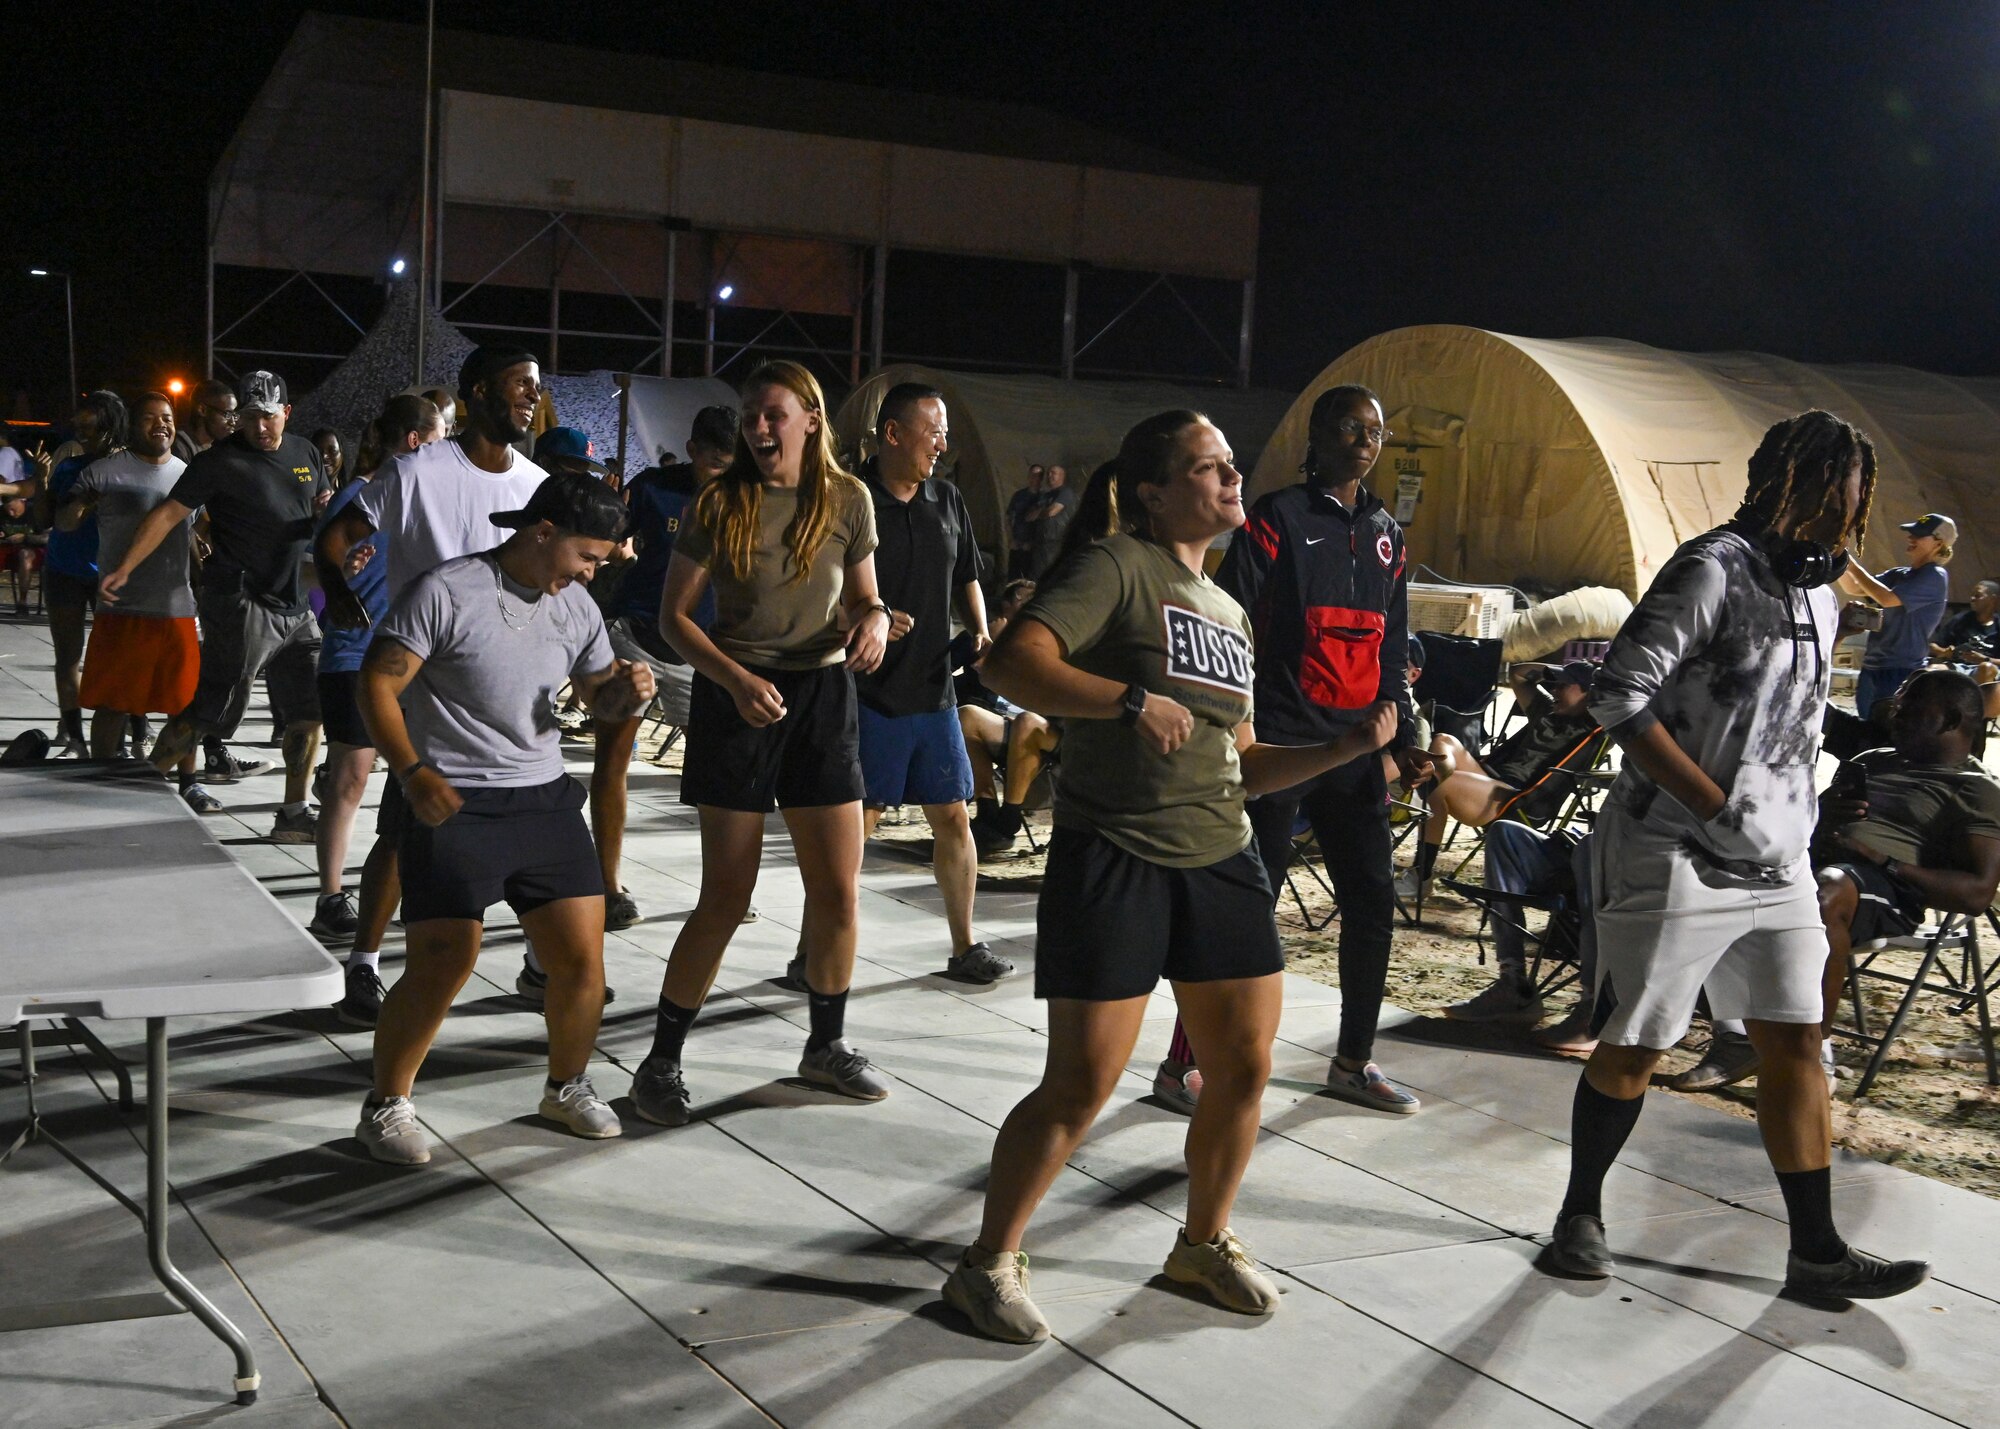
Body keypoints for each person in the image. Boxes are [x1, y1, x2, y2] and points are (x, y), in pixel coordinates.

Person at [939, 411, 1397, 1343]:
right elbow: (1012, 660)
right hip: (1116, 851)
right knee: (1080, 1084)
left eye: (1233, 463)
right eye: (1210, 466)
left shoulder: (1228, 609)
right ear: (1155, 490)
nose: (1233, 478)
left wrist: (1346, 747)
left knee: (1246, 1065)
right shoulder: (1115, 564)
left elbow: (1243, 758)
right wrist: (1129, 699)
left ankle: (1203, 1241)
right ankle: (986, 1262)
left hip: (1223, 854)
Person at [1544, 408, 1930, 1302]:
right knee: (1636, 1042)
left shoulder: (1823, 590)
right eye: (1843, 490)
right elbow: (1617, 694)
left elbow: (1789, 708)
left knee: (1794, 1040)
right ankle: (1579, 1214)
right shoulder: (1713, 567)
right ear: (1791, 482)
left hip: (1779, 858)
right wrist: (1714, 803)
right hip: (1678, 846)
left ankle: (1817, 1250)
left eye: (1860, 494)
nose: (1853, 510)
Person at [351, 473, 654, 1165]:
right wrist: (411, 770)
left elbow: (597, 698)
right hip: (452, 796)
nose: (591, 572)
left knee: (582, 958)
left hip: (542, 797)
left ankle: (566, 1086)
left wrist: (625, 692)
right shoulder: (448, 590)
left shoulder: (576, 606)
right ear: (542, 532)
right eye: (587, 556)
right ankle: (385, 1105)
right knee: (443, 958)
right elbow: (377, 681)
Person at [627, 360, 892, 1127]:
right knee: (726, 895)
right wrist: (735, 680)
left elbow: (867, 597)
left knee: (838, 891)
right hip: (736, 697)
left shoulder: (849, 499)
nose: (759, 427)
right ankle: (662, 1059)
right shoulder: (719, 500)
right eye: (750, 415)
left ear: (812, 418)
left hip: (823, 697)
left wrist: (872, 620)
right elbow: (678, 618)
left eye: (774, 414)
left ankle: (825, 1045)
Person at [1154, 385, 1431, 1116]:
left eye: (1377, 428)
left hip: (1355, 752)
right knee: (1248, 907)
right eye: (1353, 426)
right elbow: (1231, 623)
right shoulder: (1276, 518)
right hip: (1280, 744)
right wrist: (1232, 726)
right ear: (1320, 433)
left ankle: (1353, 1060)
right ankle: (1182, 1062)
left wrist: (1401, 733)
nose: (1367, 439)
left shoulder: (1387, 535)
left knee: (1372, 899)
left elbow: (1394, 642)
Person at [317, 345, 561, 1007]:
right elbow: (334, 537)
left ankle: (540, 964)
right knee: (401, 835)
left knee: (533, 836)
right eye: (520, 383)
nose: (531, 397)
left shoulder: (536, 486)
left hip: (510, 697)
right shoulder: (417, 470)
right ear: (479, 390)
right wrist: (340, 595)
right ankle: (363, 963)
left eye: (536, 388)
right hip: (428, 702)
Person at [1669, 668, 2000, 1092]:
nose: (1894, 715)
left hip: (1890, 889)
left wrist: (1884, 861)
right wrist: (1822, 820)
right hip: (1816, 866)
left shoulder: (1977, 790)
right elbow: (1804, 827)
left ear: (1951, 721)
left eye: (1910, 707)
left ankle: (1811, 1054)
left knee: (1826, 890)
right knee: (1711, 869)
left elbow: (1977, 894)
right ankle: (1736, 1036)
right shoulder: (1871, 760)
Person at [796, 381, 1008, 983]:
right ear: (893, 433)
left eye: (945, 433)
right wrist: (864, 618)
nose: (942, 444)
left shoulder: (948, 500)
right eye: (933, 431)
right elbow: (818, 588)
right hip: (865, 693)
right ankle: (813, 949)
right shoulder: (847, 499)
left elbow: (967, 570)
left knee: (953, 819)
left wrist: (983, 631)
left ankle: (966, 946)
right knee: (855, 830)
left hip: (934, 690)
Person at [106, 371, 328, 838]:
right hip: (243, 602)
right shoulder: (218, 462)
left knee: (309, 711)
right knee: (211, 707)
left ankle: (292, 813)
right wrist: (125, 568)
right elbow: (168, 514)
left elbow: (322, 507)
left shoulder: (306, 452)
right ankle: (134, 801)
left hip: (297, 605)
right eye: (249, 417)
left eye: (268, 416)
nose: (260, 427)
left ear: (286, 413)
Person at [308, 396, 445, 986]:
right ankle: (331, 894)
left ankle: (402, 892)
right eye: (442, 436)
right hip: (353, 654)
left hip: (408, 660)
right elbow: (319, 564)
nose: (449, 447)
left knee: (402, 789)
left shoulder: (426, 495)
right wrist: (341, 591)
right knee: (350, 778)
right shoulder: (362, 494)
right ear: (415, 441)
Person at [588, 408, 736, 931]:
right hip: (640, 637)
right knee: (614, 758)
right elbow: (607, 539)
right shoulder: (653, 486)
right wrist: (612, 551)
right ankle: (608, 887)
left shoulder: (749, 497)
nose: (718, 470)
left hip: (704, 650)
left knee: (724, 778)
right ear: (693, 448)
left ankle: (726, 891)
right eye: (711, 459)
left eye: (729, 462)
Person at [56, 393, 210, 803]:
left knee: (185, 706)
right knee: (113, 705)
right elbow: (65, 523)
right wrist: (82, 501)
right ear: (132, 425)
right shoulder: (105, 471)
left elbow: (189, 534)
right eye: (150, 418)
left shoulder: (187, 473)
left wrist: (204, 572)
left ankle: (189, 783)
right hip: (123, 609)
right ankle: (101, 779)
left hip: (177, 607)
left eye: (167, 417)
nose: (161, 424)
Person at [43, 391, 126, 758]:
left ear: (111, 426)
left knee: (117, 659)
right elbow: (47, 521)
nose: (82, 435)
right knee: (68, 657)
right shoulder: (69, 468)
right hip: (64, 570)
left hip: (110, 574)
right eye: (79, 428)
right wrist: (44, 482)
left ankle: (126, 733)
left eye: (90, 428)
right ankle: (74, 736)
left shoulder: (129, 468)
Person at [1843, 512, 1953, 716]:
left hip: (1900, 672)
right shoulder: (1899, 574)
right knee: (1866, 730)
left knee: (1889, 732)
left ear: (1938, 543)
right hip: (1872, 666)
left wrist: (1851, 564)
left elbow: (1887, 599)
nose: (1911, 538)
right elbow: (1854, 588)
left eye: (1919, 535)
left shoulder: (1935, 576)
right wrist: (1838, 561)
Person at [1931, 578, 2000, 663]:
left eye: (1978, 595)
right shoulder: (1960, 620)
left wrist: (1985, 660)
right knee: (1932, 669)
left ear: (1992, 599)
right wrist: (1945, 652)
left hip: (1988, 669)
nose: (1972, 598)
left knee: (1985, 668)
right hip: (1958, 667)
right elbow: (1933, 646)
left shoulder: (1998, 625)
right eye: (1972, 595)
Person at [171, 378, 237, 463]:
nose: (232, 422)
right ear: (202, 410)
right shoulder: (180, 447)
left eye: (234, 415)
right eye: (227, 414)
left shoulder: (217, 448)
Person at [1027, 463, 1072, 578]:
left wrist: (1039, 513)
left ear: (1062, 476)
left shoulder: (1065, 493)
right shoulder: (1045, 495)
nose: (1049, 476)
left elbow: (1052, 511)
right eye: (1048, 473)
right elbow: (1030, 515)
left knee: (1050, 576)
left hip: (1055, 543)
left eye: (1053, 473)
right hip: (1040, 543)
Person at [1006, 465, 1044, 580]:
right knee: (1012, 578)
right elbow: (1008, 517)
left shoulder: (1043, 497)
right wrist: (1010, 539)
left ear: (1041, 479)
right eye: (1032, 475)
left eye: (1037, 476)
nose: (1034, 478)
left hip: (1032, 548)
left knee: (1029, 579)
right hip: (1016, 544)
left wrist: (1033, 543)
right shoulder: (1019, 496)